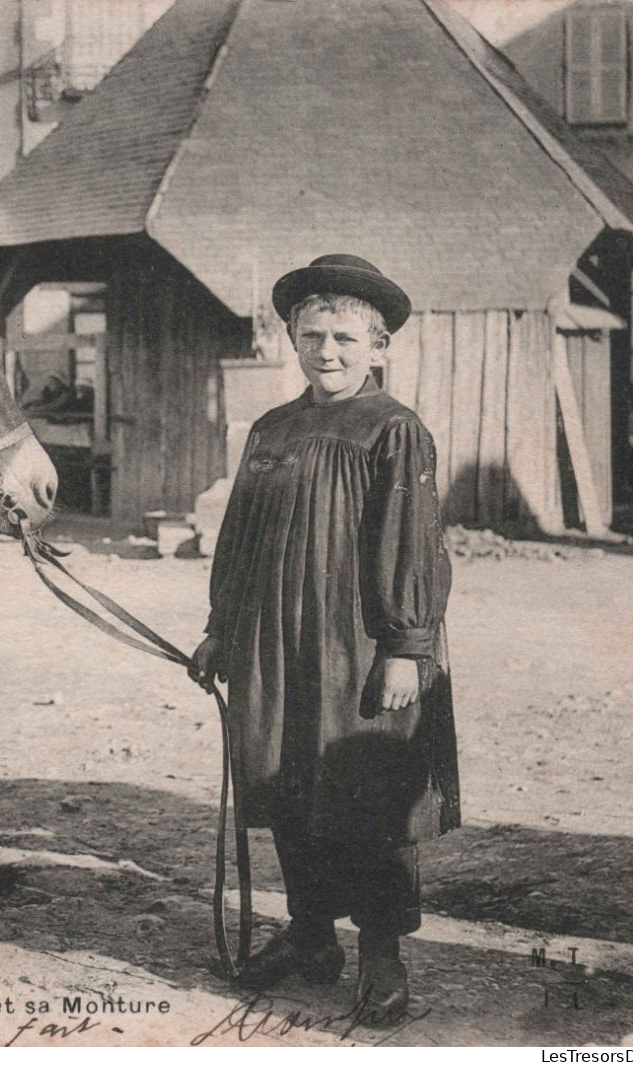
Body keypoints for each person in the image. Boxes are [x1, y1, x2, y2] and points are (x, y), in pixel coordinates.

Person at [190, 254, 459, 1026]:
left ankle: (381, 954)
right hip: (275, 644)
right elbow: (238, 538)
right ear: (293, 340)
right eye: (312, 335)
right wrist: (219, 629)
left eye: (344, 337)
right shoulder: (271, 430)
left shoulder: (393, 430)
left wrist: (408, 644)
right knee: (284, 783)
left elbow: (411, 545)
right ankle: (310, 937)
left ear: (377, 347)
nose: (326, 351)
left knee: (369, 798)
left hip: (361, 649)